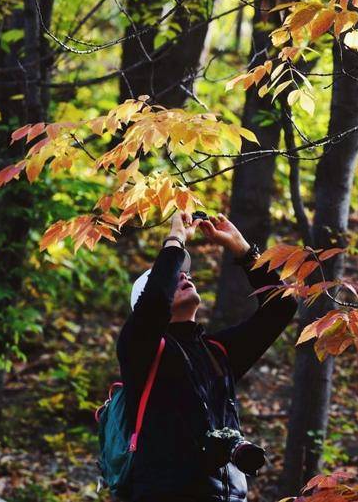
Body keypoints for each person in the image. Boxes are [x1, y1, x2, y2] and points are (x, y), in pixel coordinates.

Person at [117, 212, 297, 502]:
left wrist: (243, 250)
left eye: (187, 274)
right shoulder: (141, 350)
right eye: (175, 276)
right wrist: (175, 240)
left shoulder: (217, 352)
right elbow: (154, 303)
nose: (184, 276)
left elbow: (282, 307)